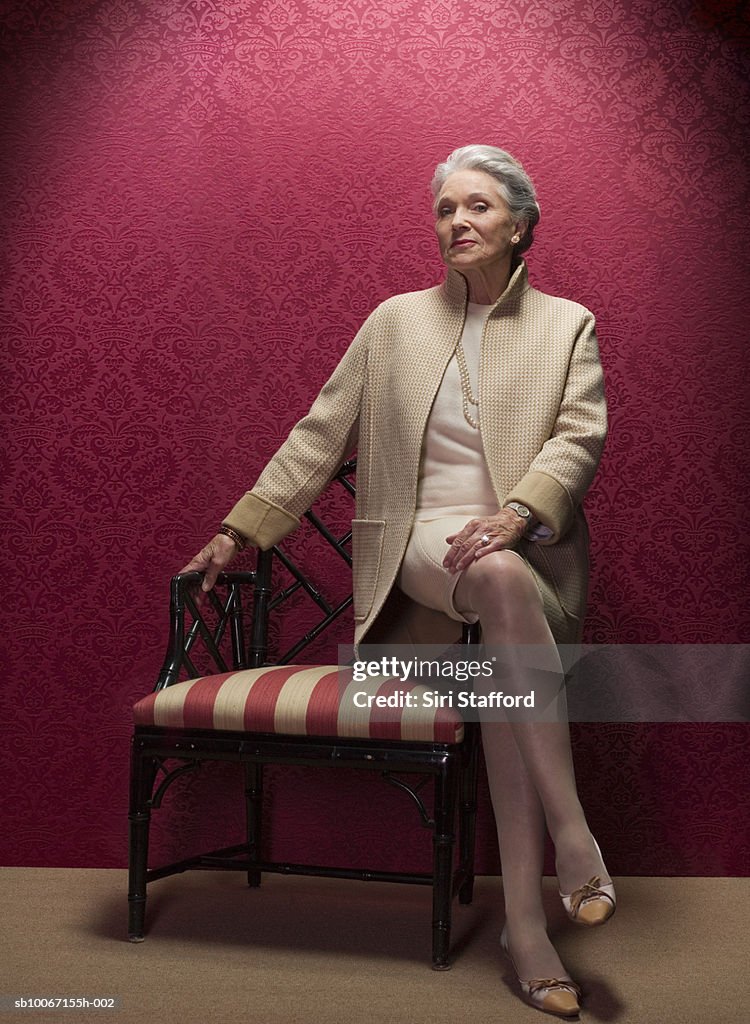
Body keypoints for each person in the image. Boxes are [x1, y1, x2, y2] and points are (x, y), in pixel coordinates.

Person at [182, 145, 613, 1018]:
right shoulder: (394, 323)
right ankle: (577, 838)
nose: (457, 222)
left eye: (479, 207)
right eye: (446, 209)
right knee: (493, 584)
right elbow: (320, 432)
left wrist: (518, 513)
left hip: (519, 563)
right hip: (418, 556)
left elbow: (577, 440)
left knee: (501, 672)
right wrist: (241, 527)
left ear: (521, 225)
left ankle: (526, 932)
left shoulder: (568, 324)